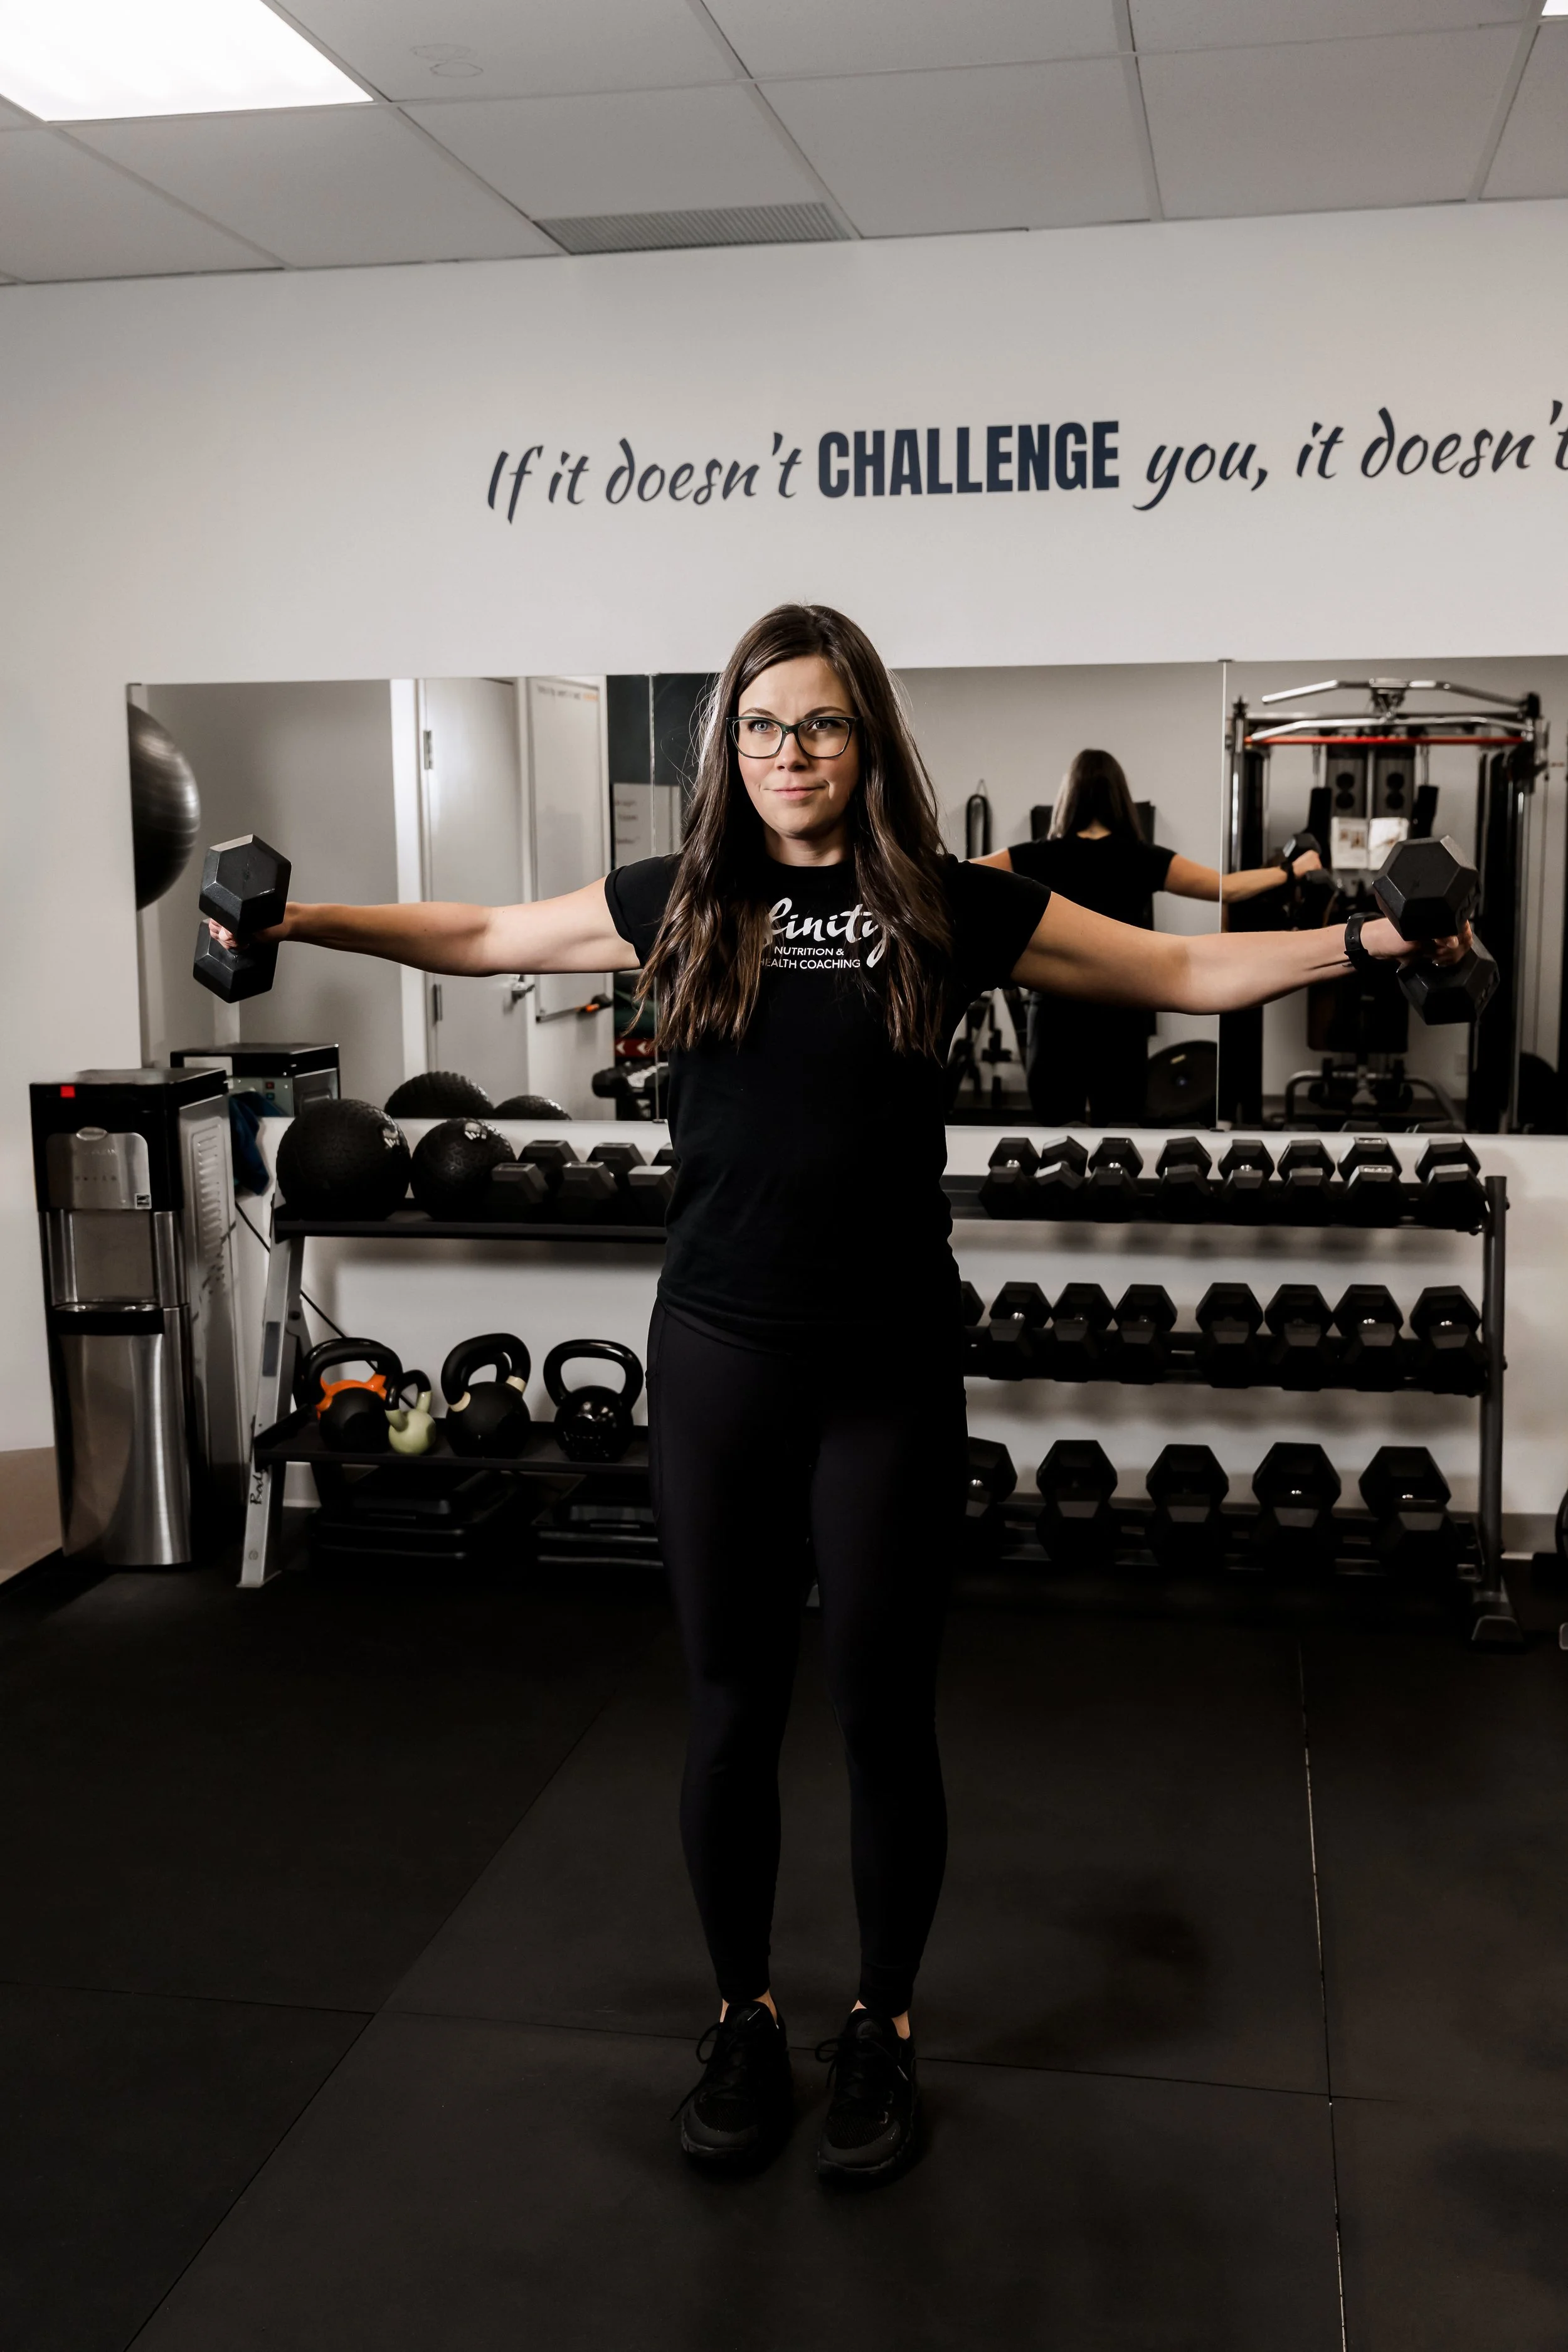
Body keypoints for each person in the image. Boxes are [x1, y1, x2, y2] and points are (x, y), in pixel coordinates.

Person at [209, 605, 1459, 2189]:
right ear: (727, 746)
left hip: (886, 1364)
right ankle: (742, 2013)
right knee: (729, 1703)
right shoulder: (680, 898)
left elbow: (1185, 964)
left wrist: (1367, 944)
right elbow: (480, 935)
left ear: (865, 738)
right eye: (758, 725)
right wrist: (300, 919)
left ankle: (882, 2020)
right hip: (719, 1358)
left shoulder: (950, 902)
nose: (786, 752)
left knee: (881, 1711)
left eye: (816, 723)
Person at [977, 746, 1324, 1125]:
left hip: (1055, 1016)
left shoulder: (1034, 855)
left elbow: (962, 875)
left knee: (1054, 1134)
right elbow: (1228, 887)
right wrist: (1292, 870)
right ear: (1120, 797)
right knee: (1119, 1135)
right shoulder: (1142, 857)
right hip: (1120, 1013)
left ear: (1068, 797)